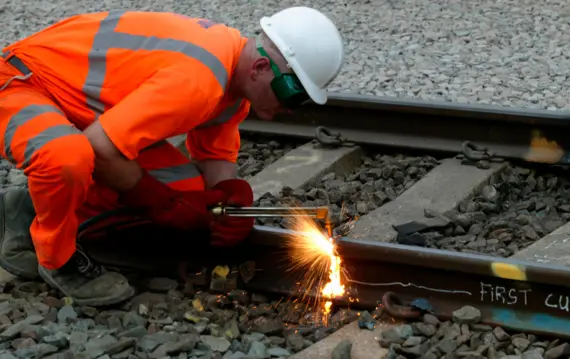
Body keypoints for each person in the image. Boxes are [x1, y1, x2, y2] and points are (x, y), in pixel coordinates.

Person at [0, 6, 345, 306]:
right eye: (290, 94)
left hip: (79, 110)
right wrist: (159, 203)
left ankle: (26, 209)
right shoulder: (198, 80)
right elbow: (100, 151)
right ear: (258, 68)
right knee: (68, 157)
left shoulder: (231, 85)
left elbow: (215, 158)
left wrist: (229, 201)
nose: (289, 110)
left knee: (186, 189)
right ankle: (58, 259)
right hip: (21, 83)